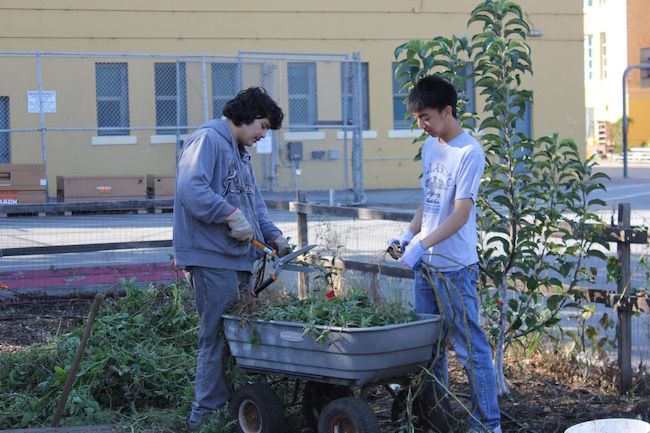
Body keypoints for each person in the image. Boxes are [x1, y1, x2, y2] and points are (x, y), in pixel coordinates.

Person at [173, 87, 292, 431]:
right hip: (212, 258)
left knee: (234, 337)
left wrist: (273, 236)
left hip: (235, 258)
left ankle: (229, 409)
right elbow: (190, 188)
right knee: (216, 336)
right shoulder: (208, 140)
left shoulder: (239, 152)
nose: (263, 135)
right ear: (247, 116)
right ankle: (205, 417)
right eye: (264, 126)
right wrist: (227, 214)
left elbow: (252, 204)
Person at [388, 75, 501, 433]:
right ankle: (435, 417)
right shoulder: (432, 147)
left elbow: (461, 212)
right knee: (429, 348)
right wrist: (408, 235)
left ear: (448, 111)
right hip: (427, 267)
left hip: (455, 267)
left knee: (469, 348)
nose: (422, 125)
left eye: (427, 117)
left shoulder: (469, 152)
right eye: (418, 118)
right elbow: (432, 199)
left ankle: (488, 424)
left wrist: (423, 244)